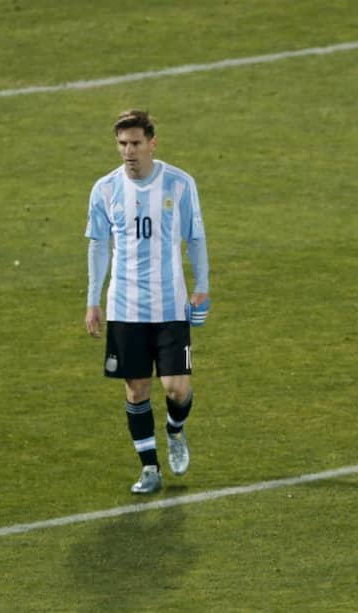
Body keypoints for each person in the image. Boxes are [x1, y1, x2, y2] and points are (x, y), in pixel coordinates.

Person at [84, 109, 210, 494]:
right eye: (122, 144)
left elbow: (196, 238)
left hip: (170, 307)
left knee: (176, 388)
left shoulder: (179, 184)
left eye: (136, 143)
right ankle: (150, 468)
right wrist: (92, 300)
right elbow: (98, 246)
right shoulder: (105, 189)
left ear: (152, 143)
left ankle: (175, 429)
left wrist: (202, 287)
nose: (129, 151)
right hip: (125, 308)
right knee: (136, 388)